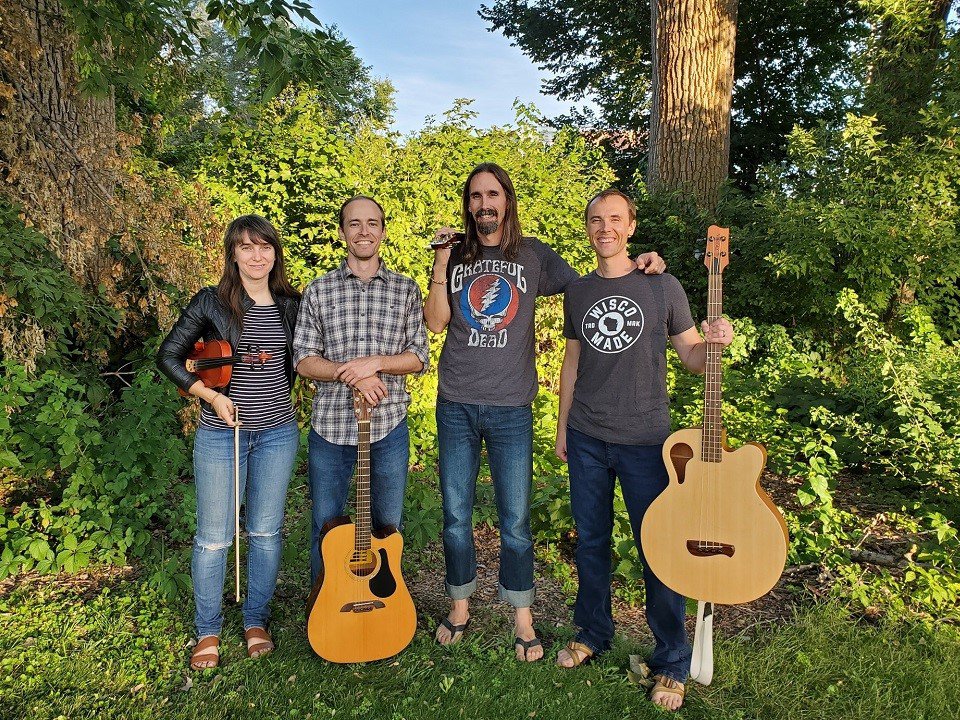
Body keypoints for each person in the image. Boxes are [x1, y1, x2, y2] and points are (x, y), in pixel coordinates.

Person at [424, 163, 666, 662]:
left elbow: (597, 287)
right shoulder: (455, 253)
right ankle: (460, 606)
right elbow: (434, 323)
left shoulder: (534, 255)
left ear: (507, 201)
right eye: (475, 196)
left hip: (513, 406)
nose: (484, 204)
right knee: (454, 516)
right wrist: (439, 262)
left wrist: (645, 267)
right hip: (456, 405)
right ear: (468, 204)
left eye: (493, 194)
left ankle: (523, 617)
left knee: (515, 521)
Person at [554, 189, 733, 710]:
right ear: (588, 229)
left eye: (614, 219)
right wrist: (564, 428)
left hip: (646, 441)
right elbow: (571, 364)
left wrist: (718, 340)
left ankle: (671, 660)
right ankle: (592, 634)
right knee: (590, 542)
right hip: (587, 436)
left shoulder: (664, 286)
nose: (604, 228)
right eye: (595, 220)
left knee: (658, 549)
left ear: (631, 227)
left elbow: (694, 359)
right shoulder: (578, 292)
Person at [157, 215, 302, 670]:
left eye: (265, 247)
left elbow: (303, 357)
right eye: (246, 247)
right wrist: (209, 396)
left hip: (278, 433)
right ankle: (208, 629)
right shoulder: (211, 303)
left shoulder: (291, 304)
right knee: (215, 538)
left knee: (264, 532)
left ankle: (255, 620)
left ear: (274, 253)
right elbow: (168, 356)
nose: (257, 256)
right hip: (223, 434)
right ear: (232, 254)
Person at [294, 196, 429, 586]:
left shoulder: (405, 290)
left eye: (372, 223)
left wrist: (376, 364)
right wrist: (351, 373)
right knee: (326, 524)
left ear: (383, 232)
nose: (364, 231)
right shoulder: (318, 290)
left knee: (387, 526)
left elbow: (419, 357)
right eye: (354, 224)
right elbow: (303, 360)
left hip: (388, 427)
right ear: (342, 232)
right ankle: (326, 605)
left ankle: (384, 603)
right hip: (330, 429)